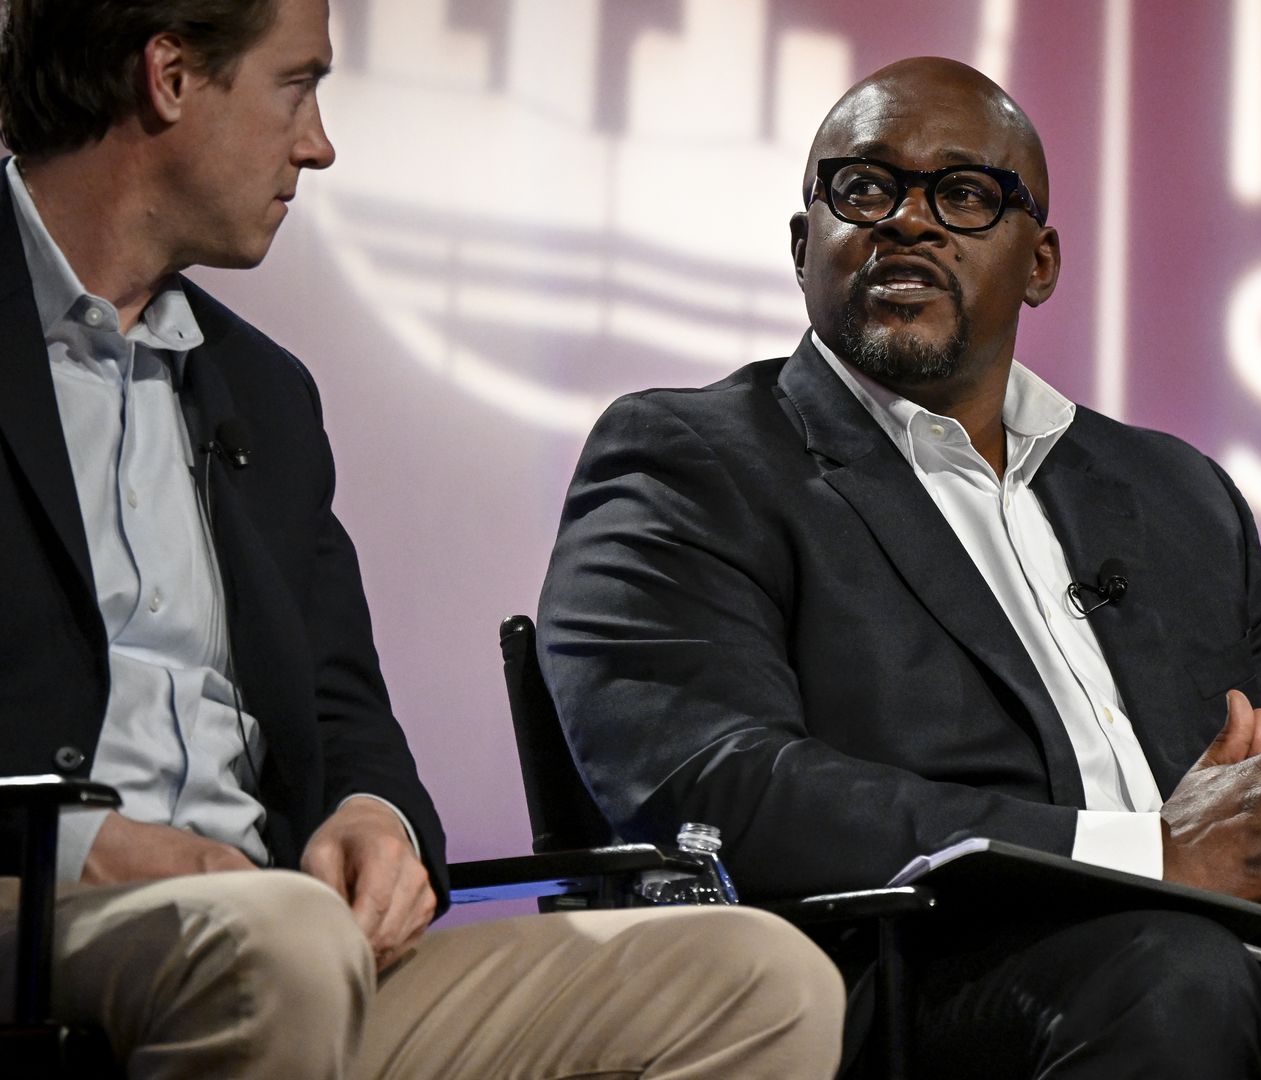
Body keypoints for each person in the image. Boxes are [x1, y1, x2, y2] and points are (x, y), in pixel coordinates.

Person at [541, 55, 1261, 1078]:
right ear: (805, 246)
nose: (909, 223)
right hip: (914, 993)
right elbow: (718, 785)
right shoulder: (696, 456)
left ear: (1039, 262)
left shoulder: (1176, 495)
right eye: (865, 188)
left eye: (964, 194)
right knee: (1175, 972)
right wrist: (1159, 857)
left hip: (1232, 987)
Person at [0, 0, 844, 1076]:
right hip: (41, 913)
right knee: (279, 946)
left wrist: (375, 819)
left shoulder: (264, 393)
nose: (318, 144)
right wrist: (81, 847)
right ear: (169, 77)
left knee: (761, 980)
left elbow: (343, 712)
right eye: (298, 86)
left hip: (279, 933)